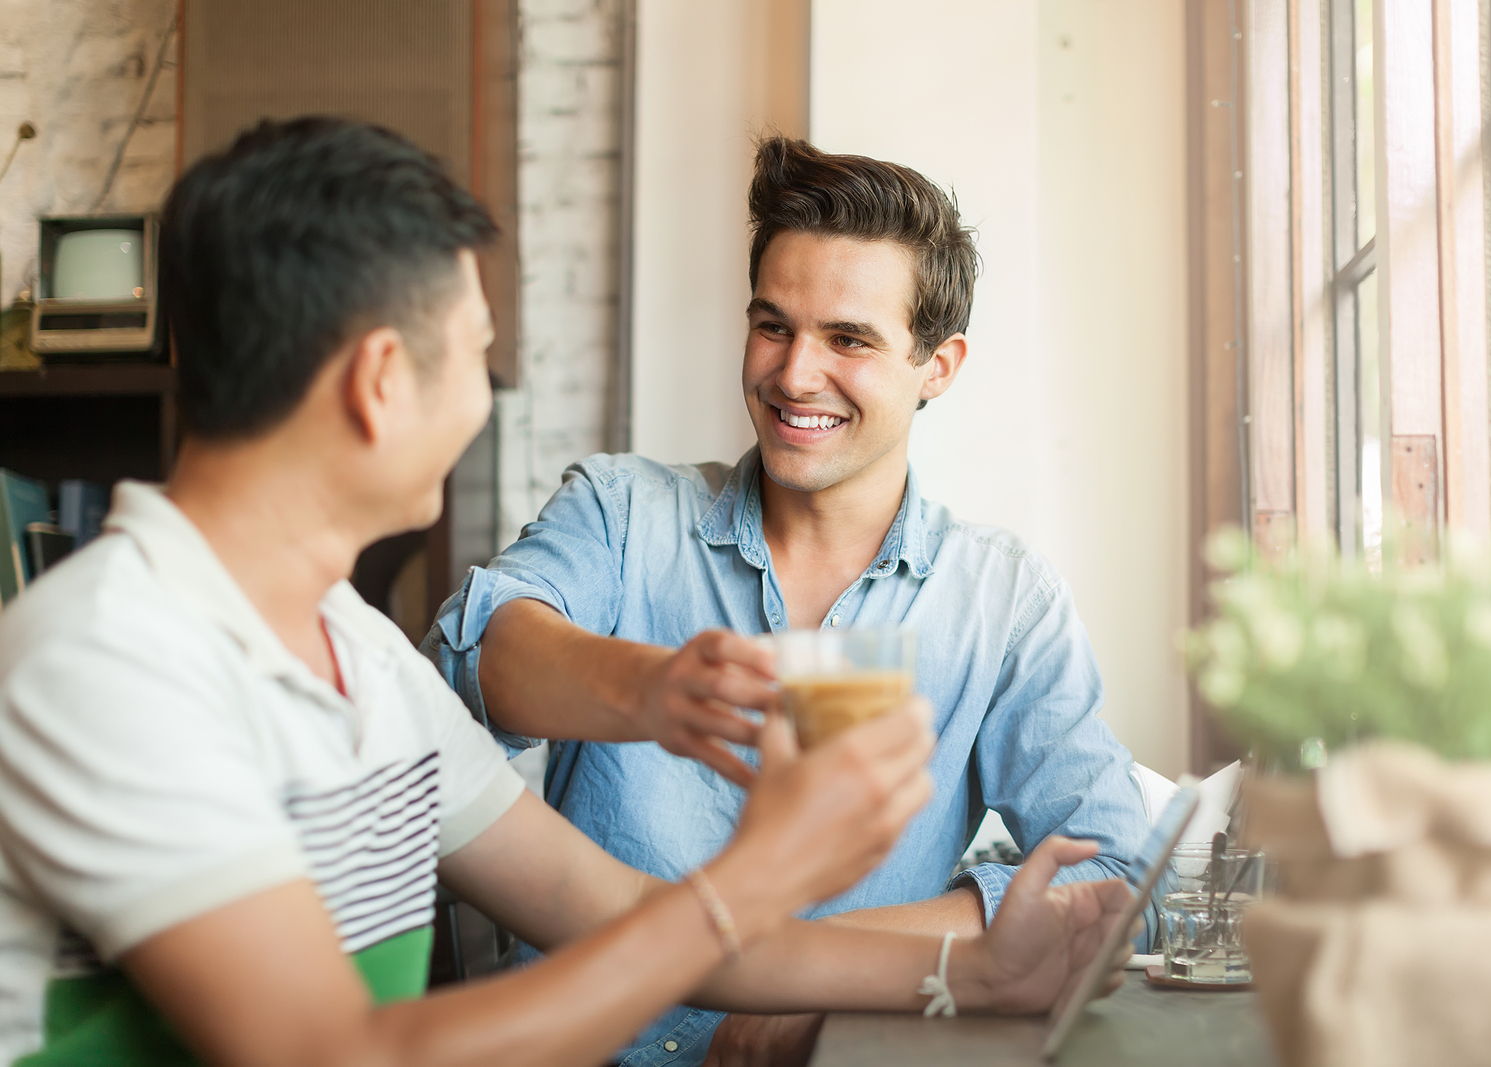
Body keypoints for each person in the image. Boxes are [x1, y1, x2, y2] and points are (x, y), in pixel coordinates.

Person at [0, 117, 1135, 1067]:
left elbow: (622, 915)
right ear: (383, 380)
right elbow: (334, 1055)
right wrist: (754, 870)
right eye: (478, 353)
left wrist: (974, 963)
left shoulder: (354, 650)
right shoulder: (104, 655)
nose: (484, 400)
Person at [422, 135, 1151, 1065]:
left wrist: (812, 991)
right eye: (773, 325)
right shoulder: (623, 512)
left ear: (940, 365)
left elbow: (1120, 874)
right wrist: (657, 685)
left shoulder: (1004, 602)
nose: (794, 374)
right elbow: (472, 657)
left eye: (848, 338)